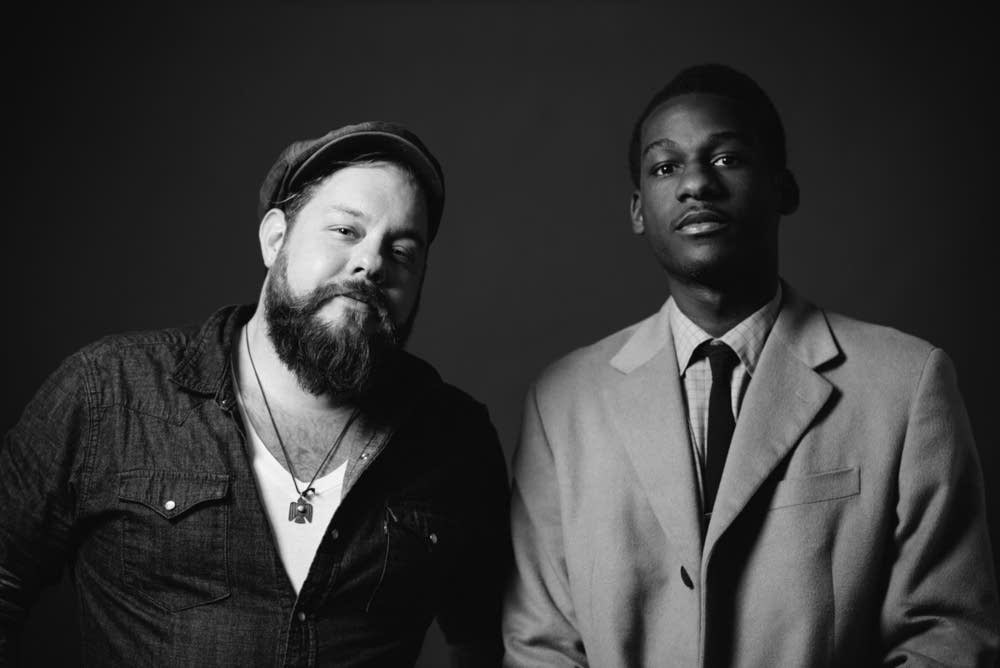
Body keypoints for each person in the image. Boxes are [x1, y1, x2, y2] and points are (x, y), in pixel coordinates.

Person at [502, 64, 999, 666]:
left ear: (782, 187)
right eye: (665, 167)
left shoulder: (908, 382)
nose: (695, 185)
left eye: (726, 159)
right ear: (637, 210)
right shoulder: (561, 403)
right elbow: (541, 646)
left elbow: (946, 635)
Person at [1, 121, 511, 666]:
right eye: (345, 230)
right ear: (275, 239)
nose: (372, 262)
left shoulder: (453, 439)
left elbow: (486, 638)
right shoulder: (109, 391)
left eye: (403, 250)